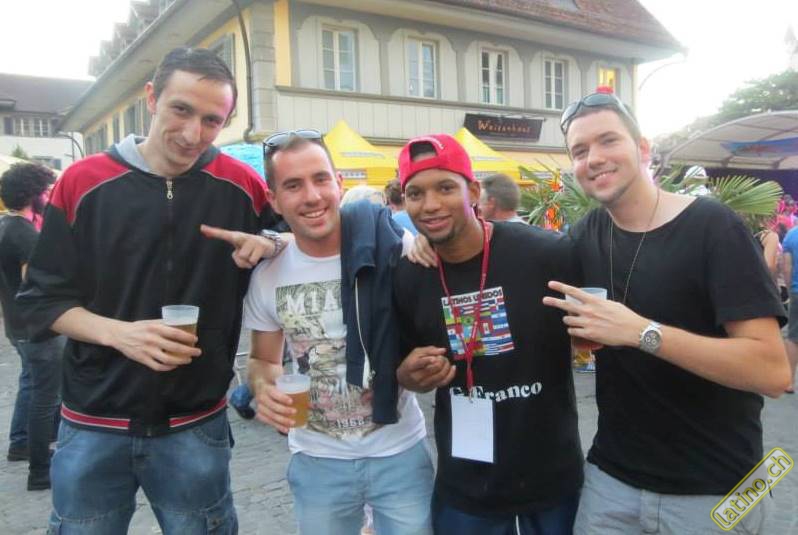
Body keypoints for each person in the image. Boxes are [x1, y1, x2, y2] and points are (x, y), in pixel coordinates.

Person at [17, 47, 283, 534]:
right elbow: (41, 300)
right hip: (93, 422)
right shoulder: (83, 181)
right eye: (181, 110)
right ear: (151, 98)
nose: (193, 134)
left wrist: (272, 242)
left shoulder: (241, 184)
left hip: (195, 421)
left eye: (212, 120)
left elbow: (300, 238)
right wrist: (120, 334)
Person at [545, 88, 791, 534]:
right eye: (579, 151)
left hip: (717, 489)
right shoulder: (586, 234)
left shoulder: (714, 227)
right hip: (612, 481)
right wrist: (426, 243)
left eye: (608, 140)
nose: (593, 158)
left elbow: (772, 371)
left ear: (643, 148)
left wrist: (642, 332)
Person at [244, 130, 433, 535]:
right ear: (274, 200)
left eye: (320, 179)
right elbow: (262, 359)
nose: (312, 196)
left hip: (398, 450)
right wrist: (263, 388)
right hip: (317, 460)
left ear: (339, 183)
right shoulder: (267, 274)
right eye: (293, 185)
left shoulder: (394, 246)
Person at [393, 134, 582, 534]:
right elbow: (403, 365)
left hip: (552, 480)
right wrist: (409, 374)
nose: (430, 204)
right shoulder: (410, 275)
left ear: (474, 192)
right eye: (415, 193)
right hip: (466, 486)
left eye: (446, 188)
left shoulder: (547, 253)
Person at [0, 162, 64, 491]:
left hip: (18, 327)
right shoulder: (25, 234)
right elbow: (35, 286)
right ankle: (40, 471)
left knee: (31, 386)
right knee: (46, 398)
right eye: (45, 192)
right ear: (31, 195)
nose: (48, 197)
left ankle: (21, 443)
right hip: (38, 330)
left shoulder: (5, 225)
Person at [780, 225, 798, 392]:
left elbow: (787, 267)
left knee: (793, 337)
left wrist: (790, 289)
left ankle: (789, 382)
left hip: (797, 291)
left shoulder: (791, 235)